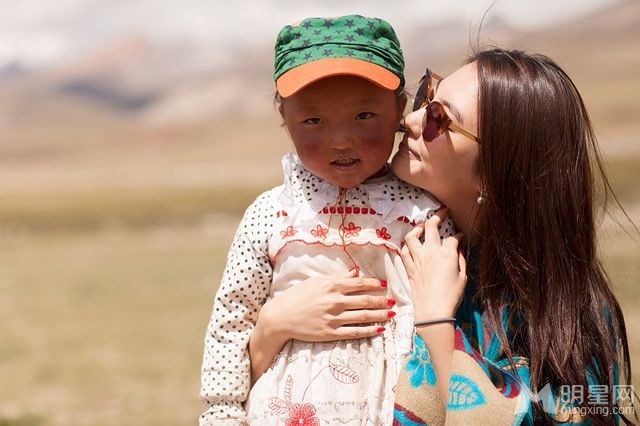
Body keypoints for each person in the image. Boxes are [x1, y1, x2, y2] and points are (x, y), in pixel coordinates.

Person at [251, 48, 637, 425]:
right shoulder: (392, 241)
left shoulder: (563, 318)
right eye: (426, 96)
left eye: (439, 117)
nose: (411, 120)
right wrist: (272, 328)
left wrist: (435, 320)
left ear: (497, 169)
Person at [199, 15, 455, 425]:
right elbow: (231, 324)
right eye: (314, 121)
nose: (341, 139)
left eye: (364, 116)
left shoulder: (424, 213)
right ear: (285, 118)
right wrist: (223, 413)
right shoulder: (271, 215)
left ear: (399, 109)